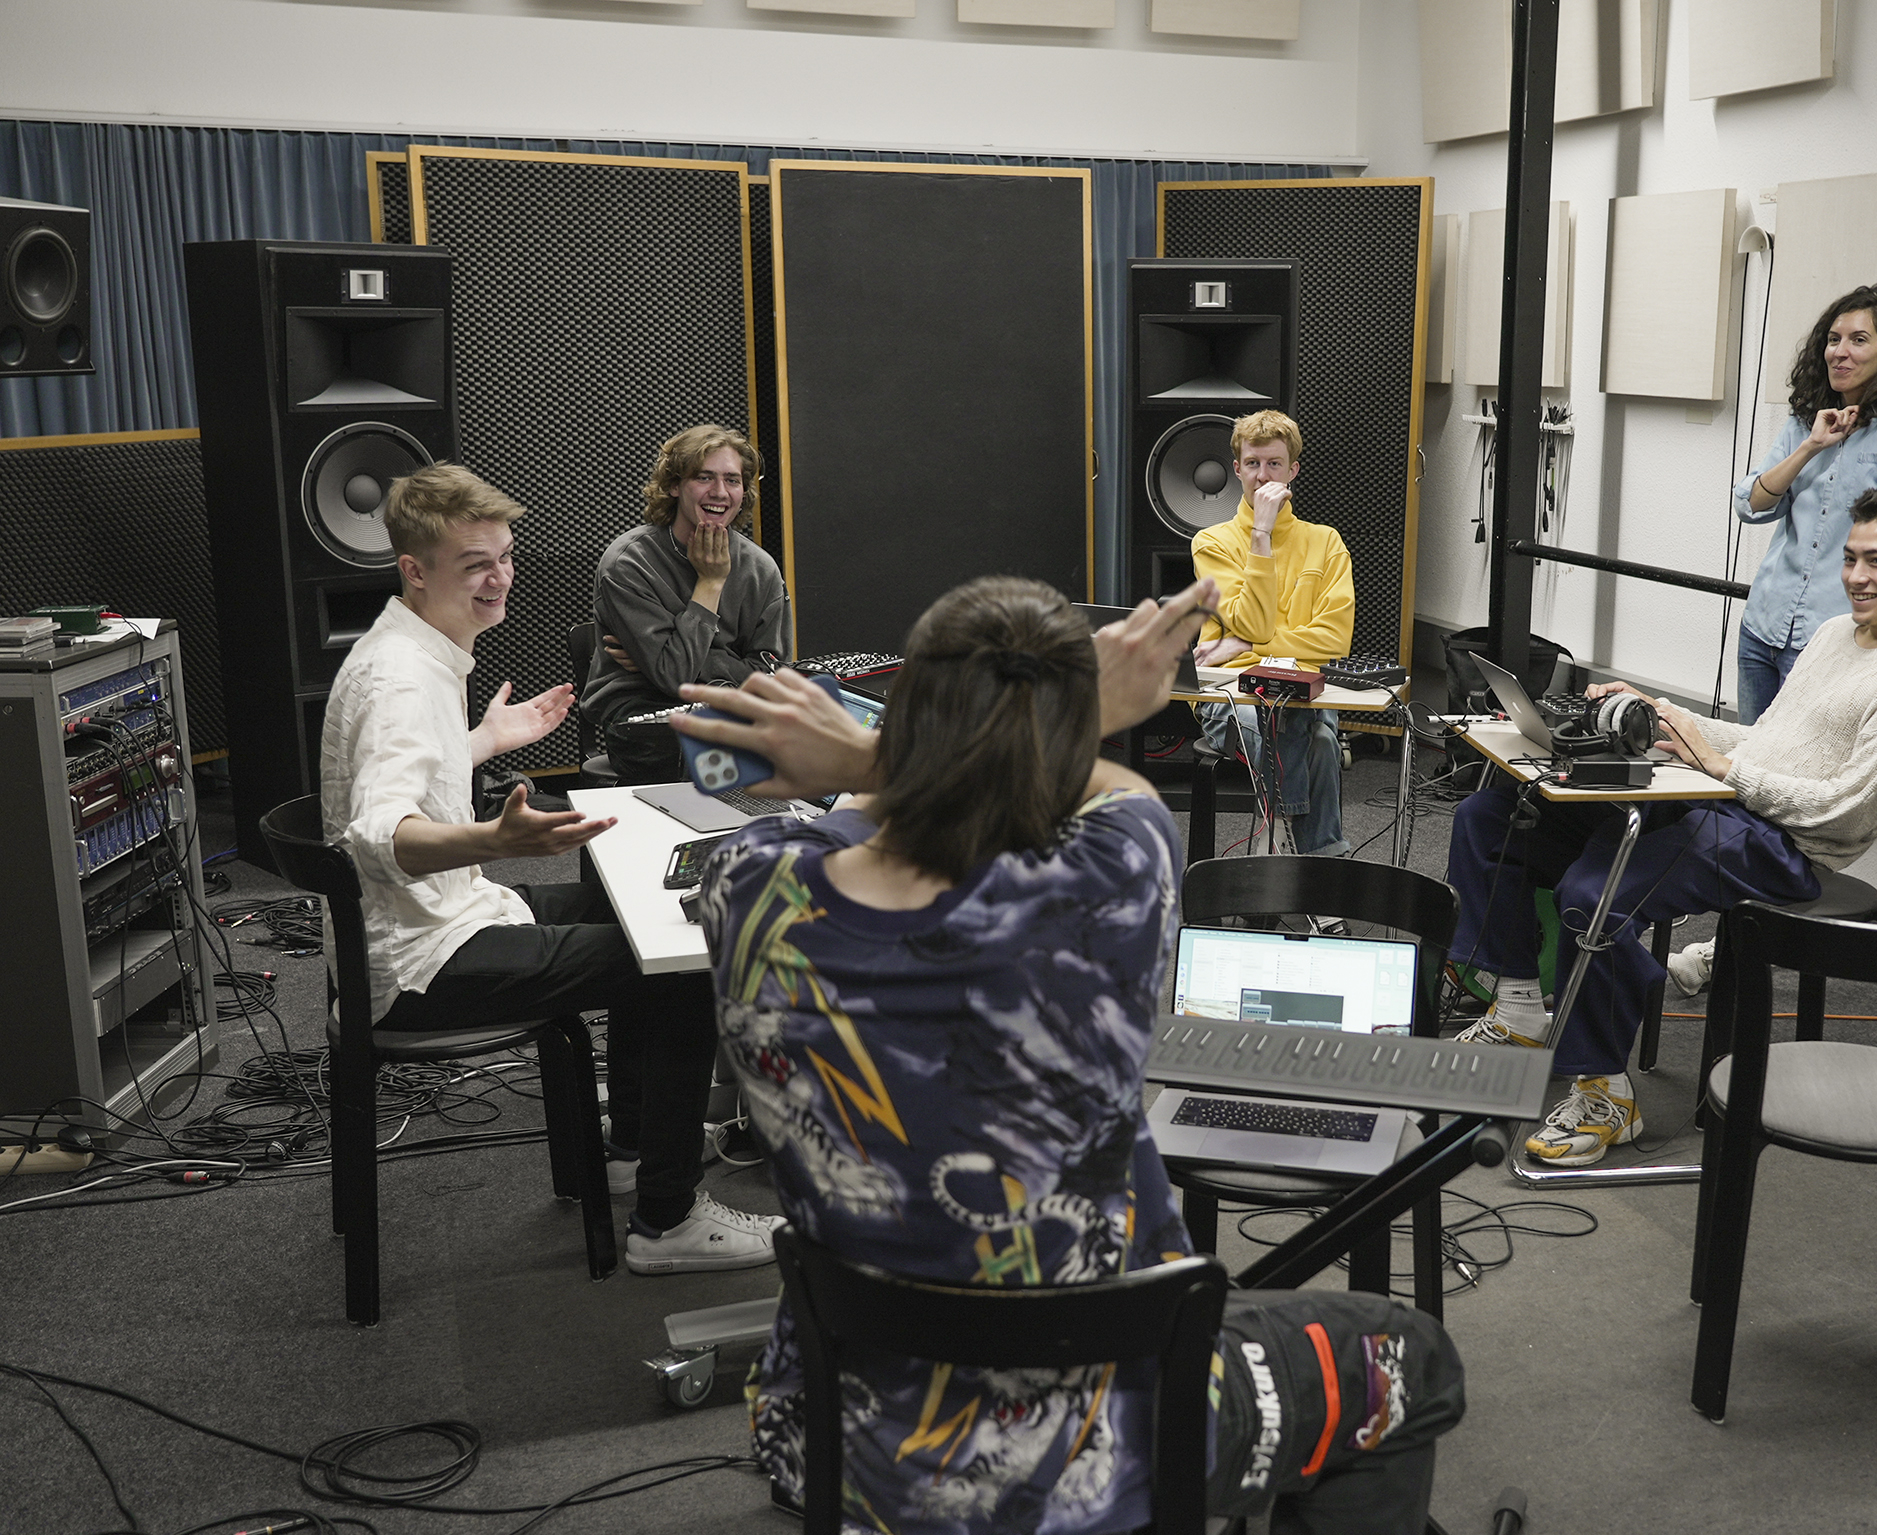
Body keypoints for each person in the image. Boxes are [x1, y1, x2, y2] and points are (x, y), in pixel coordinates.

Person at [668, 574, 1465, 1534]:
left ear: (905, 708)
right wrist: (935, 740)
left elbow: (907, 801)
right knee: (1405, 1355)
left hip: (845, 1436)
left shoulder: (750, 886)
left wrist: (872, 752)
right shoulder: (1109, 880)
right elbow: (1080, 791)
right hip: (1093, 1449)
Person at [321, 462, 781, 1273]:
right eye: (475, 564)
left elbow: (407, 775)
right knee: (689, 962)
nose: (499, 578)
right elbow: (377, 832)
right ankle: (667, 1222)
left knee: (630, 913)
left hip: (431, 923)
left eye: (503, 556)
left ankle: (635, 1149)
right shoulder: (401, 678)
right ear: (414, 570)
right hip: (423, 962)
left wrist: (484, 743)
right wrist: (496, 843)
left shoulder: (412, 651)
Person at [1444, 484, 1877, 1169]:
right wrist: (1664, 719)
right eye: (1848, 559)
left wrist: (1720, 768)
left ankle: (1604, 1092)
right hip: (1721, 798)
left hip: (1788, 846)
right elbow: (1768, 739)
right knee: (1492, 818)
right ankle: (1516, 1010)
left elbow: (1846, 810)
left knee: (1594, 891)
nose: (1856, 578)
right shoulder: (1839, 633)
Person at [1661, 284, 1877, 995]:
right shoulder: (1805, 416)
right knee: (1746, 791)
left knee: (1790, 812)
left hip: (1839, 638)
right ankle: (1732, 947)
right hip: (1767, 625)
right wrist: (1813, 444)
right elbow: (1750, 504)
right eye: (1832, 337)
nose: (1840, 350)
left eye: (1858, 339)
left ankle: (1730, 954)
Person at [1191, 409, 1356, 858]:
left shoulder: (1325, 542)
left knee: (1307, 727)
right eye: (1252, 464)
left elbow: (1334, 640)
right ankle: (1315, 868)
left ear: (1293, 470)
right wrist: (1260, 534)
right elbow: (1254, 623)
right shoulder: (1213, 543)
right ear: (1237, 469)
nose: (1262, 476)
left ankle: (1279, 856)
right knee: (1316, 740)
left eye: (1274, 464)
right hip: (1232, 696)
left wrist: (1245, 644)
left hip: (1307, 693)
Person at [582, 424, 788, 784]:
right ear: (674, 486)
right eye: (704, 478)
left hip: (732, 707)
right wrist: (710, 582)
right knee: (707, 756)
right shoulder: (628, 563)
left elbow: (770, 676)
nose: (720, 492)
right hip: (643, 713)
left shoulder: (760, 569)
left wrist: (665, 659)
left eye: (732, 480)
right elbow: (673, 676)